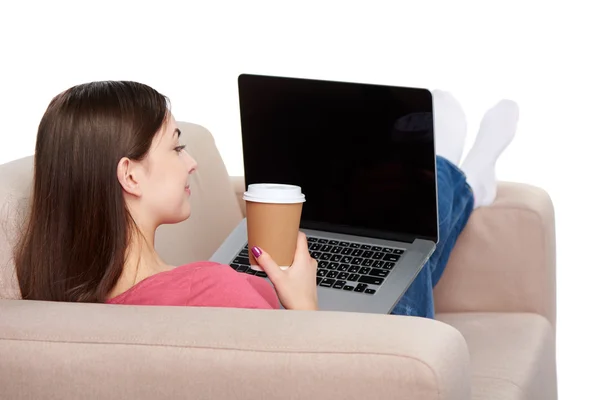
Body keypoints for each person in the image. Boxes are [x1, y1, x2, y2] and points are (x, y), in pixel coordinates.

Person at [13, 81, 519, 317]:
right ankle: (456, 175)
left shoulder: (67, 302)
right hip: (361, 355)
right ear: (130, 175)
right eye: (175, 145)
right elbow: (306, 377)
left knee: (399, 233)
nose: (191, 164)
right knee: (410, 246)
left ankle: (458, 174)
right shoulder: (211, 290)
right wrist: (302, 304)